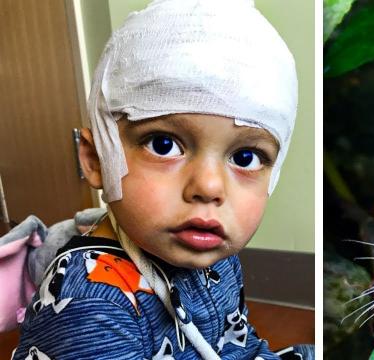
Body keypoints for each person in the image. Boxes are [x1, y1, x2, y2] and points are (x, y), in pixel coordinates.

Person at [10, 0, 311, 359]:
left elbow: (239, 345)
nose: (210, 187)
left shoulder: (212, 249)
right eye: (164, 145)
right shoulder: (90, 308)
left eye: (245, 157)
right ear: (96, 159)